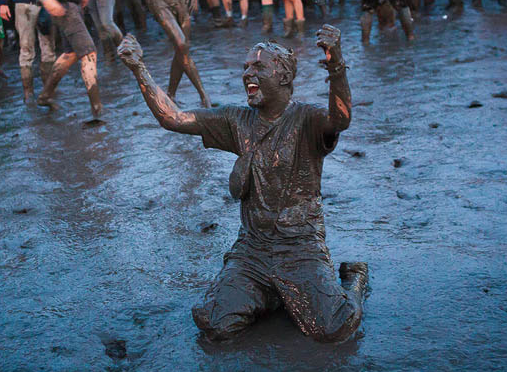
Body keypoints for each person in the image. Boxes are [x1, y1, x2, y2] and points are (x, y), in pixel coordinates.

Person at [116, 24, 369, 343]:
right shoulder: (236, 120)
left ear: (284, 77)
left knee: (333, 328)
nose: (248, 74)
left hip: (300, 247)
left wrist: (335, 64)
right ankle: (273, 293)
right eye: (246, 67)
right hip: (253, 249)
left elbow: (341, 119)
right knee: (215, 323)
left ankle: (355, 280)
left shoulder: (308, 119)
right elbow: (173, 119)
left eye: (258, 67)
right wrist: (138, 67)